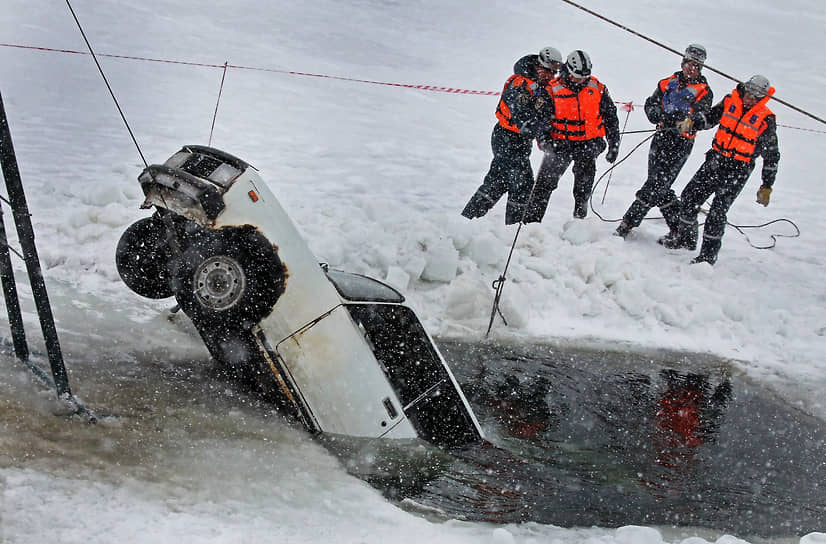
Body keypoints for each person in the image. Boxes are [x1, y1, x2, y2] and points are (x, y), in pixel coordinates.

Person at [661, 75, 780, 265]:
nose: (750, 97)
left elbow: (772, 155)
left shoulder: (766, 120)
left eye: (755, 95)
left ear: (762, 97)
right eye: (749, 92)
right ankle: (686, 240)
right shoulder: (729, 102)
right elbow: (709, 118)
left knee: (717, 212)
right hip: (715, 160)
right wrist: (692, 122)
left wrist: (767, 185)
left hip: (738, 170)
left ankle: (707, 258)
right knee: (689, 198)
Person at [615, 44, 713, 238]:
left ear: (700, 68)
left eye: (696, 65)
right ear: (683, 62)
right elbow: (651, 104)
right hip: (661, 138)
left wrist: (687, 122)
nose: (691, 68)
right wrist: (656, 115)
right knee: (659, 185)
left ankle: (627, 223)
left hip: (681, 143)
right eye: (689, 63)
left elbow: (703, 117)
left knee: (656, 185)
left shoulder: (704, 91)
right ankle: (679, 229)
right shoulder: (667, 82)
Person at [461, 47, 563, 225]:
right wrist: (533, 129)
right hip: (506, 138)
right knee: (522, 183)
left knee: (498, 181)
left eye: (554, 72)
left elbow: (546, 117)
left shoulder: (545, 89)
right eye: (549, 71)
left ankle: (467, 220)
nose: (551, 76)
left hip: (522, 142)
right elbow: (521, 117)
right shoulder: (520, 83)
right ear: (540, 66)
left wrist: (547, 138)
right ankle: (515, 227)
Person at [528, 50, 620, 221]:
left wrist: (614, 143)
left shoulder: (597, 88)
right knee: (544, 186)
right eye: (577, 75)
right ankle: (531, 222)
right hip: (560, 145)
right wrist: (546, 143)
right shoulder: (552, 89)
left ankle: (579, 222)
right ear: (568, 70)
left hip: (588, 145)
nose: (581, 80)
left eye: (585, 76)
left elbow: (611, 117)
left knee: (584, 188)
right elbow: (540, 121)